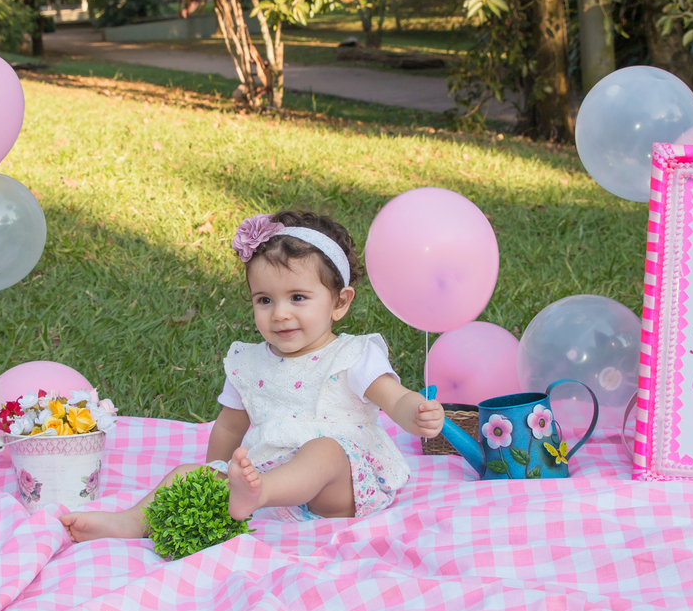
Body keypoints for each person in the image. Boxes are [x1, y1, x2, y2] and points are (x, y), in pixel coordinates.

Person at [61, 210, 446, 541]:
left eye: (298, 297)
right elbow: (229, 427)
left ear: (339, 303)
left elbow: (394, 397)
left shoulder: (352, 355)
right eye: (265, 300)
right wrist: (215, 475)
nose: (279, 313)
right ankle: (131, 521)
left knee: (324, 452)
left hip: (343, 487)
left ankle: (257, 496)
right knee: (185, 474)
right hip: (269, 478)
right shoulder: (247, 362)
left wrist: (416, 413)